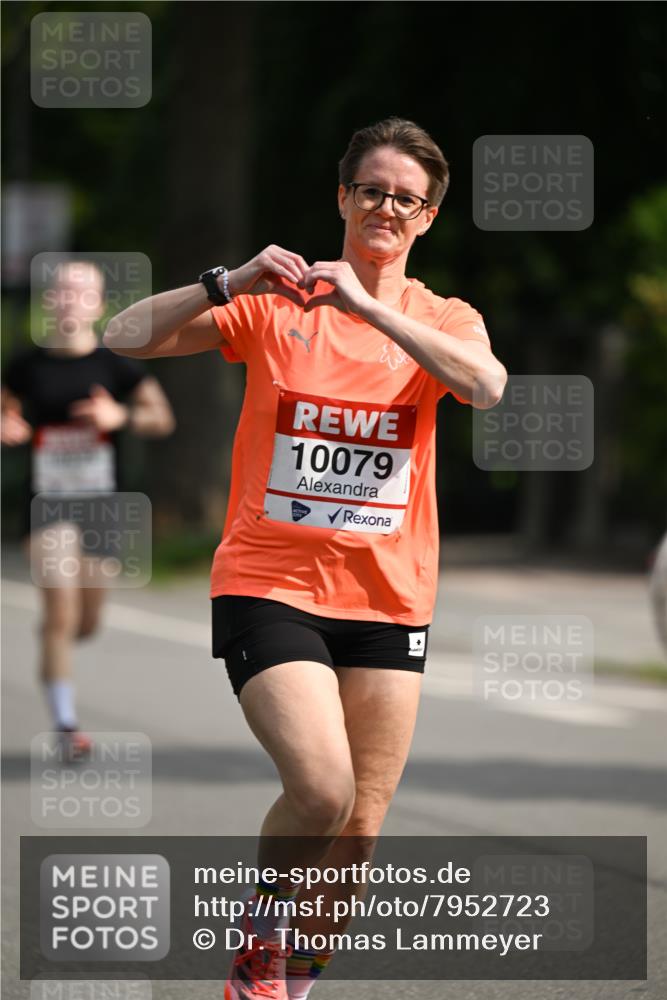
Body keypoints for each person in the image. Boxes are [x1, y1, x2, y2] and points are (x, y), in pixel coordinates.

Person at [104, 117, 507, 999]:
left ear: (428, 217)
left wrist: (371, 308)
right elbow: (122, 335)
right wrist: (228, 280)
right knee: (323, 791)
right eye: (372, 190)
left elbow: (484, 385)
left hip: (389, 600)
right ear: (342, 198)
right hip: (269, 583)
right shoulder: (276, 303)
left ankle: (288, 987)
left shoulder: (443, 319)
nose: (386, 209)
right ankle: (261, 934)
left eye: (406, 199)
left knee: (357, 832)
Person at [1, 260, 175, 755]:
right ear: (49, 302)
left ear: (98, 305)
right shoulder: (25, 366)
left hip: (101, 505)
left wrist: (118, 415)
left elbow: (160, 418)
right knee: (60, 610)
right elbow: (6, 409)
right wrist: (7, 423)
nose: (70, 299)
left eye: (82, 292)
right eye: (62, 291)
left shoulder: (117, 364)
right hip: (47, 504)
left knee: (86, 621)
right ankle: (65, 726)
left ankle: (60, 633)